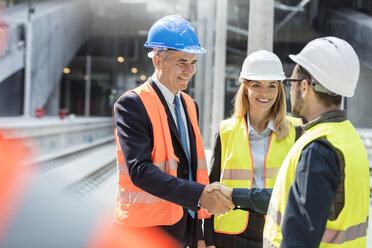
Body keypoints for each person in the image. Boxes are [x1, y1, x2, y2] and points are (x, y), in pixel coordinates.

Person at [113, 15, 234, 248]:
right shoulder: (132, 104)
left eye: (194, 62)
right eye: (181, 62)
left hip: (183, 228)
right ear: (157, 60)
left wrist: (200, 232)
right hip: (145, 231)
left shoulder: (190, 105)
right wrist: (200, 194)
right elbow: (140, 171)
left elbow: (192, 169)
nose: (189, 70)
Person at [203, 50, 302, 248]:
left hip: (276, 228)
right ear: (245, 87)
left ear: (279, 90)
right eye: (256, 85)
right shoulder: (226, 131)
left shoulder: (296, 131)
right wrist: (208, 239)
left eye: (271, 86)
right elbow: (211, 188)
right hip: (229, 231)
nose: (264, 93)